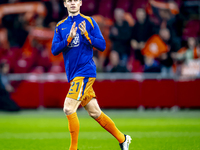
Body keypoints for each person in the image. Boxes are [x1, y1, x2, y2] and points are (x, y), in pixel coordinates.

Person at [51, 0, 132, 150]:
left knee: (69, 108)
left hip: (85, 71)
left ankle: (73, 149)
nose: (73, 3)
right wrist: (68, 39)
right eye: (69, 1)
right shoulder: (60, 26)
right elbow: (54, 50)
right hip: (73, 74)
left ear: (80, 2)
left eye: (75, 0)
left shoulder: (89, 21)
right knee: (95, 112)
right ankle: (123, 138)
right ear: (65, 4)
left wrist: (87, 36)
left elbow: (102, 45)